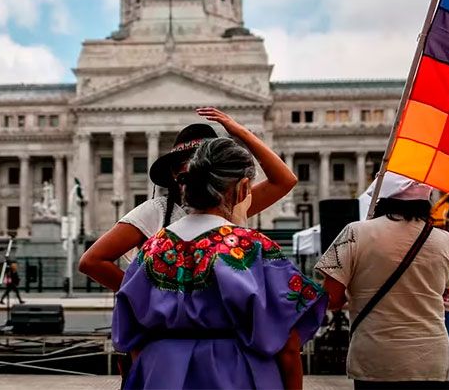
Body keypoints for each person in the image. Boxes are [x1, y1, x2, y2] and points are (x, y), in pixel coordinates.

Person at [112, 138, 326, 389]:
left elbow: (130, 332)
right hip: (236, 372)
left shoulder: (152, 247)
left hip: (160, 372)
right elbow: (288, 344)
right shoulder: (251, 247)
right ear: (242, 188)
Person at [80, 107, 299, 291]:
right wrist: (146, 297)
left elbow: (284, 181)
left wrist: (243, 134)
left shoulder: (230, 206)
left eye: (202, 161)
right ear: (175, 174)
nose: (195, 167)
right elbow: (92, 261)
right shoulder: (155, 210)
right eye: (189, 163)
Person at [316, 172, 449, 388]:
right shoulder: (446, 240)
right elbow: (448, 287)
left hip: (377, 358)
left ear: (383, 199)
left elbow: (330, 299)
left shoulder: (355, 232)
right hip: (431, 358)